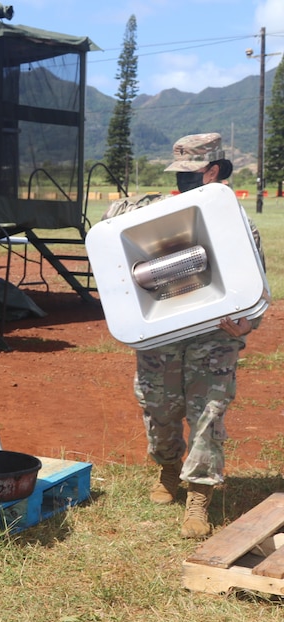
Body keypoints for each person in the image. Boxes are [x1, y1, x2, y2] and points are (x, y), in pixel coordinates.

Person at [106, 132, 264, 539]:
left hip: (214, 336)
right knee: (158, 408)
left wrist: (248, 323)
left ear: (212, 170)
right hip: (162, 333)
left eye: (191, 173)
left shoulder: (237, 224)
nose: (183, 180)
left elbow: (254, 287)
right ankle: (168, 467)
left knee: (208, 412)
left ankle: (199, 495)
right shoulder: (157, 213)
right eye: (179, 173)